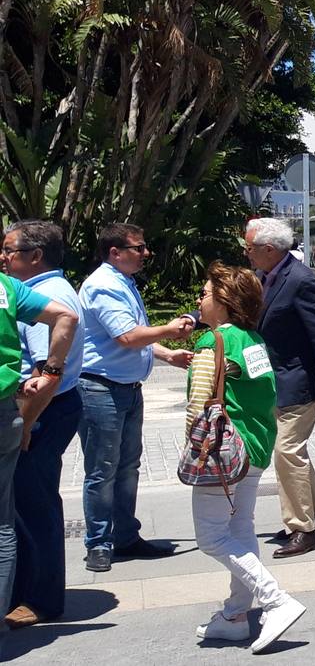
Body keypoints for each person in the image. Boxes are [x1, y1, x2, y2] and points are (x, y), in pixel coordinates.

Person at [185, 263, 306, 652]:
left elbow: (197, 405)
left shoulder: (212, 342)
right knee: (240, 530)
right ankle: (236, 615)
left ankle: (274, 599)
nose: (200, 300)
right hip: (254, 447)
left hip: (222, 452)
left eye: (204, 294)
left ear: (224, 301)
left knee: (211, 537)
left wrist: (193, 448)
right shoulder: (252, 339)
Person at [76, 223, 193, 573]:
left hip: (126, 388)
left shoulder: (121, 282)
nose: (145, 254)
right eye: (138, 248)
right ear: (115, 252)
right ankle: (99, 542)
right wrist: (169, 330)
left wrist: (166, 353)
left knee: (127, 467)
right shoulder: (103, 286)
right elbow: (127, 337)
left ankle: (125, 535)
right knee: (102, 470)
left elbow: (133, 335)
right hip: (101, 389)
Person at [243, 217, 315, 559]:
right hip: (275, 381)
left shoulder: (301, 282)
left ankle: (303, 529)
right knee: (292, 451)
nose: (247, 254)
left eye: (250, 248)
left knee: (287, 450)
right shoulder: (263, 277)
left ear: (269, 250)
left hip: (301, 383)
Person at [3, 222, 84, 627]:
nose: (3, 258)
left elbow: (44, 373)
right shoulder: (51, 290)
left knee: (32, 508)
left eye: (10, 251)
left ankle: (40, 597)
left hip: (42, 411)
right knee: (33, 504)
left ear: (35, 256)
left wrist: (26, 425)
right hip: (52, 407)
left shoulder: (45, 295)